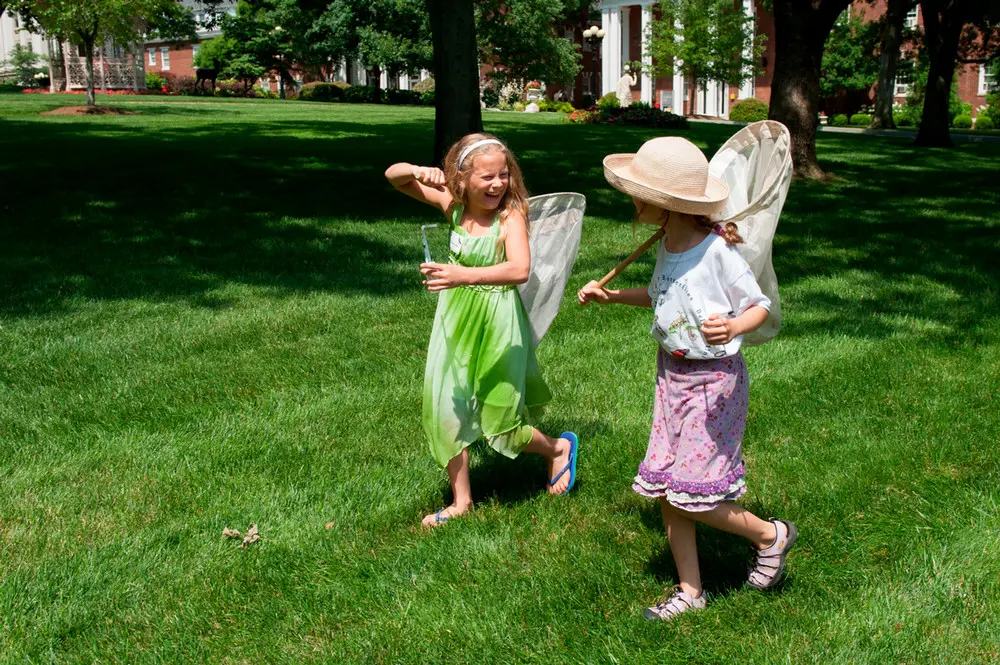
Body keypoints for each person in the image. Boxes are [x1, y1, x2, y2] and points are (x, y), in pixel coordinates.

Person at [577, 136, 797, 619]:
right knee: (671, 492)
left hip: (713, 381)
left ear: (663, 203)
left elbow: (758, 305)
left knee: (695, 496)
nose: (634, 202)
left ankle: (770, 535)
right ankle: (690, 591)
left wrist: (735, 325)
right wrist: (610, 297)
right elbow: (660, 295)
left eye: (640, 194)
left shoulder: (716, 250)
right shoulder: (667, 243)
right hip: (672, 375)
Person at [384, 133, 579, 528]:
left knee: (502, 425)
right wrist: (416, 170)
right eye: (487, 177)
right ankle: (462, 501)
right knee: (447, 408)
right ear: (461, 180)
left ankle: (558, 448)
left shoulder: (511, 216)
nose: (497, 185)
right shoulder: (453, 207)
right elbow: (394, 177)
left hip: (499, 322)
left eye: (503, 175)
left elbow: (518, 269)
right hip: (456, 321)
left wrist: (462, 274)